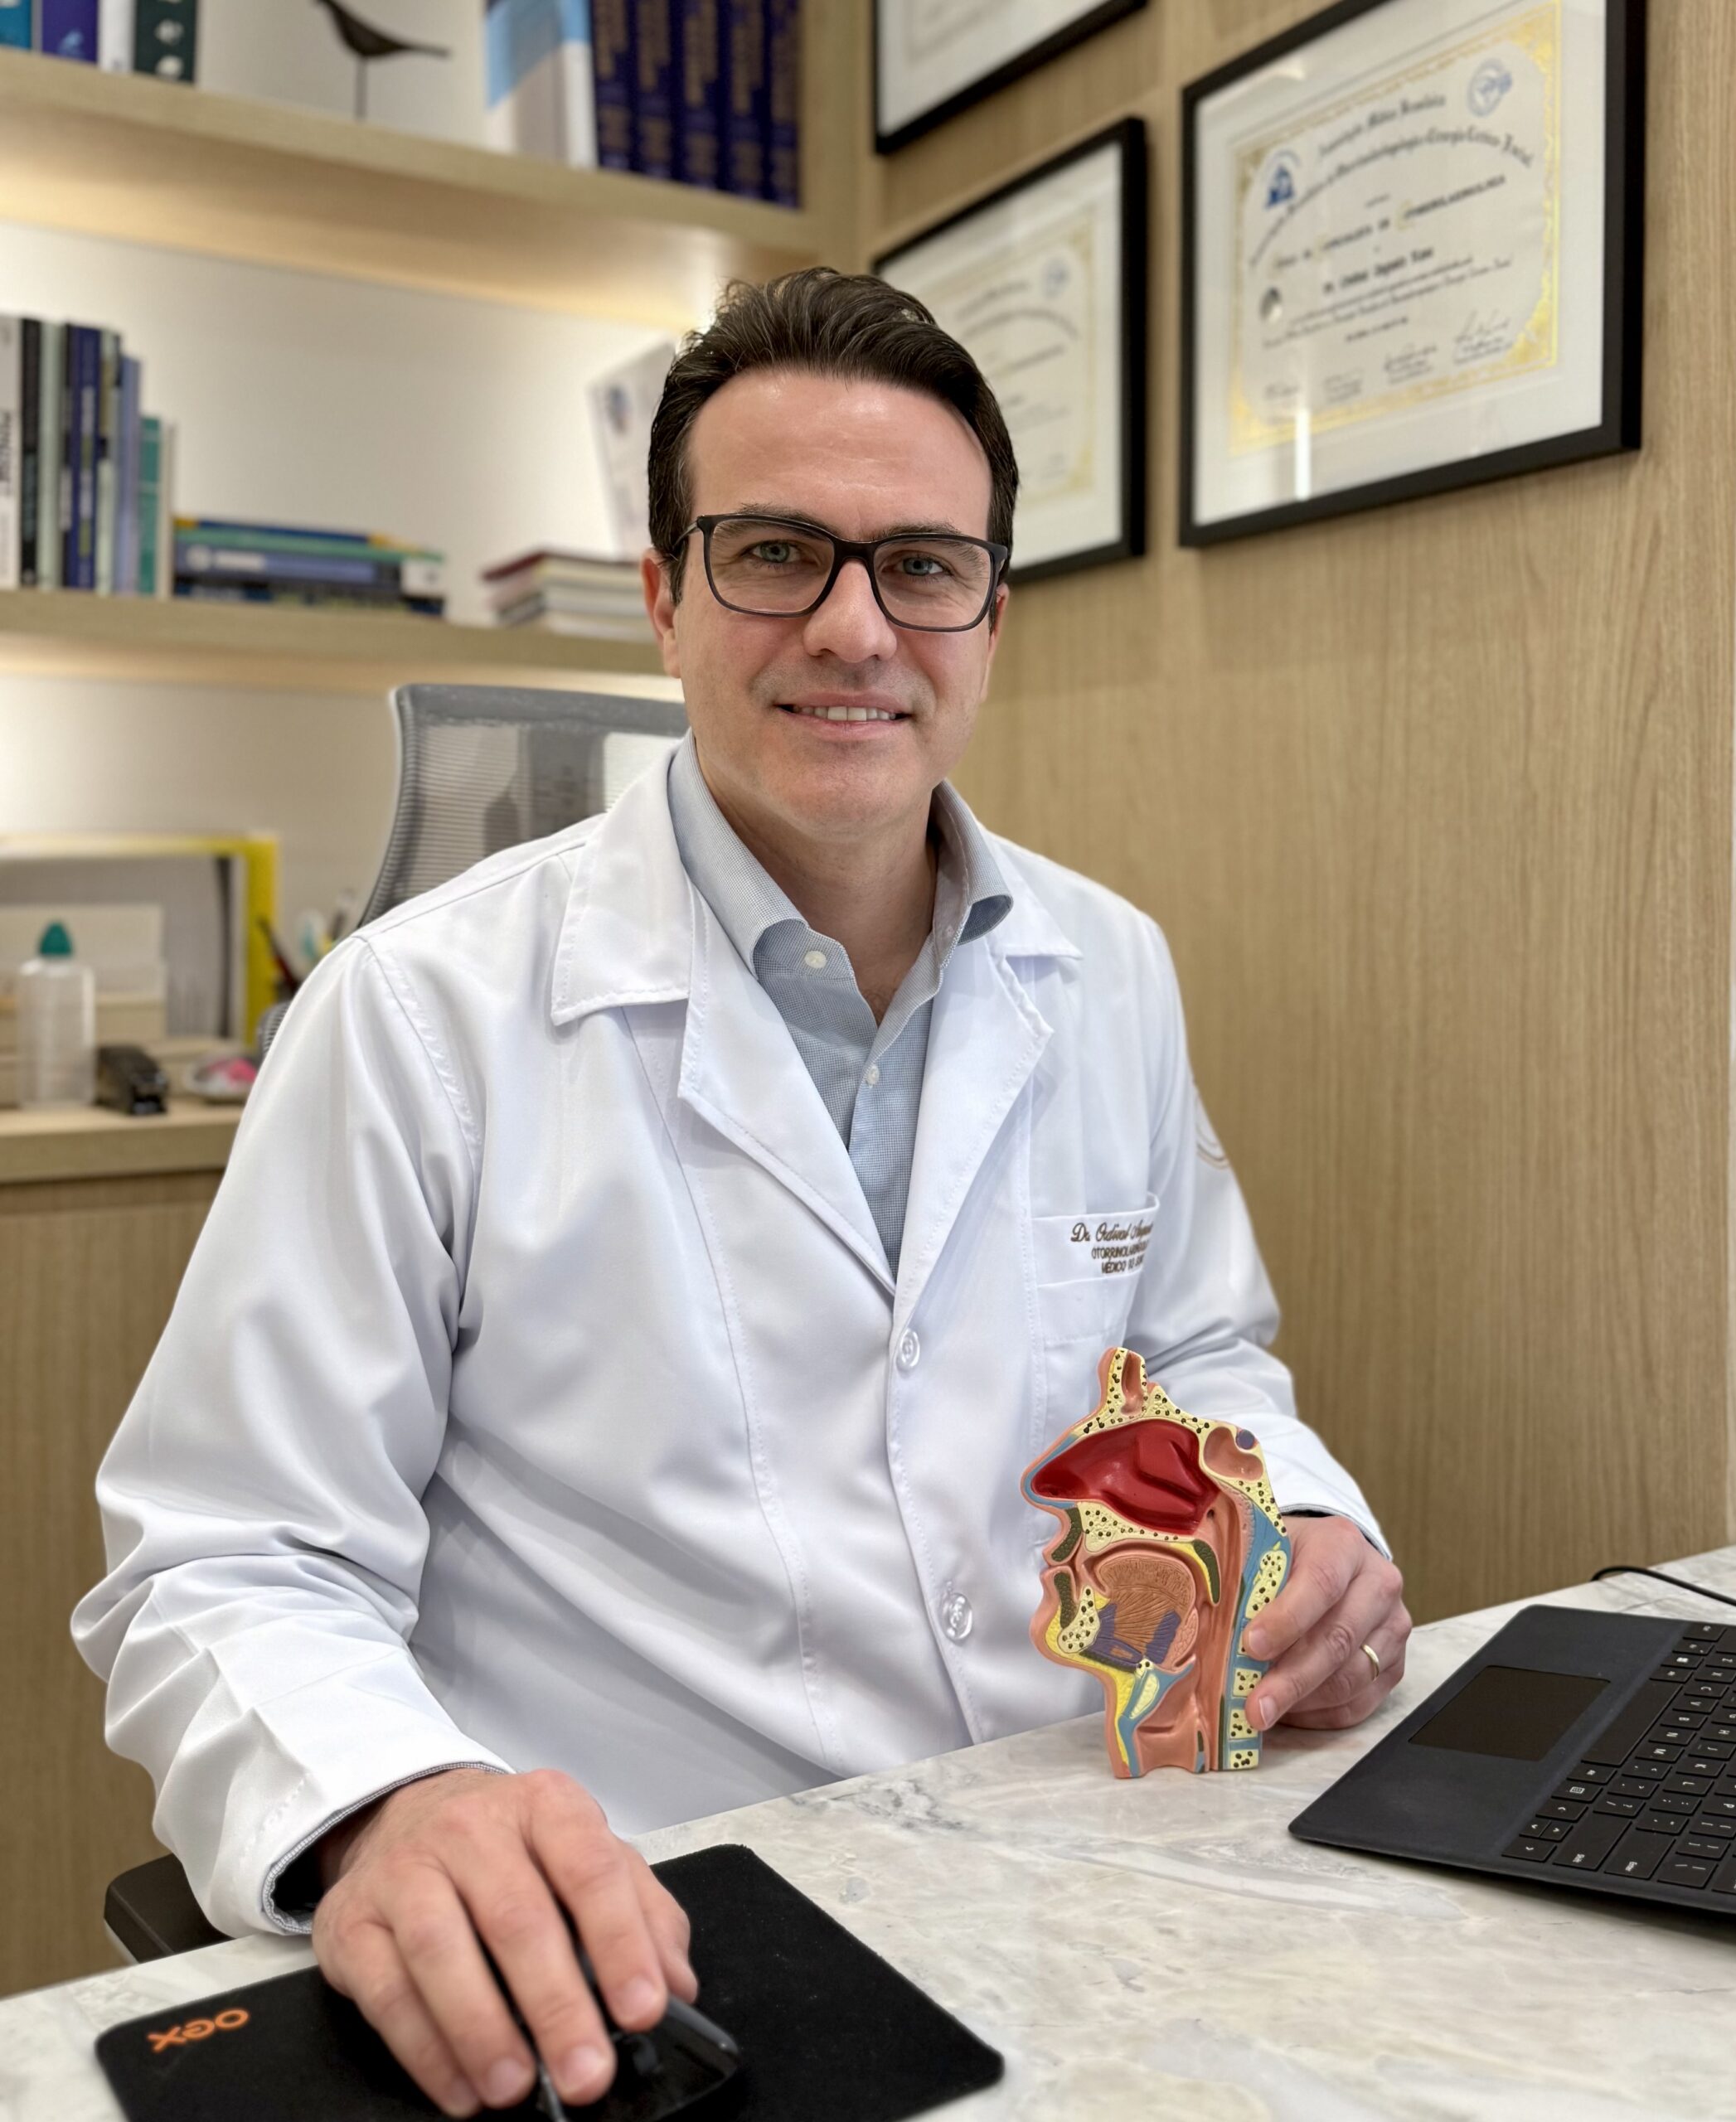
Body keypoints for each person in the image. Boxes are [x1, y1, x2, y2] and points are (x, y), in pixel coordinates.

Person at [74, 269, 1411, 2117]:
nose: (856, 628)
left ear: (990, 617)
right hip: (656, 1928)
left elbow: (1188, 1354)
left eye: (924, 566)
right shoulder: (418, 1012)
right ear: (666, 596)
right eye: (777, 551)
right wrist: (394, 1801)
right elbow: (229, 1555)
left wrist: (1304, 1525)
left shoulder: (1106, 964)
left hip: (1084, 1858)